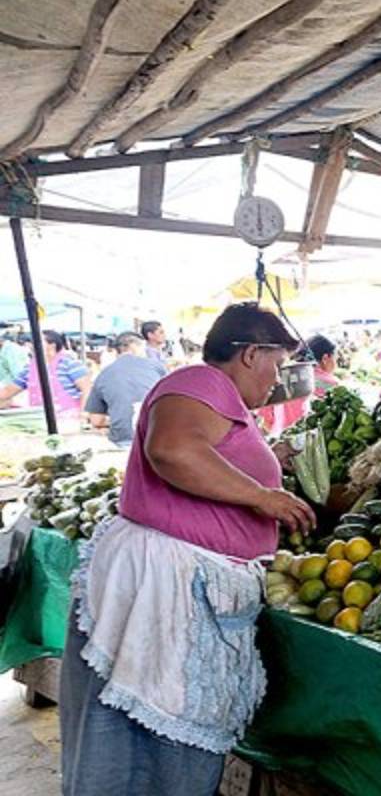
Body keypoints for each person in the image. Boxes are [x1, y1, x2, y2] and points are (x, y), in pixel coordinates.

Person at [58, 303, 316, 796]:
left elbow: (209, 451)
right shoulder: (201, 382)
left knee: (152, 736)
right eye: (276, 364)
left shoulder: (217, 397)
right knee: (138, 740)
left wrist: (269, 460)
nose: (277, 378)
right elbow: (173, 449)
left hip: (176, 584)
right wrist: (264, 496)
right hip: (165, 587)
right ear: (249, 354)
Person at [83, 332, 164, 447]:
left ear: (117, 351)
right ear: (135, 347)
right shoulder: (156, 367)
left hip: (122, 441)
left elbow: (96, 420)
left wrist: (120, 418)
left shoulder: (104, 374)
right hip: (157, 439)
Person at [0, 329, 92, 416]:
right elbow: (9, 390)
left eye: (38, 341)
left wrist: (84, 414)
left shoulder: (70, 364)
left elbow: (87, 390)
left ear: (52, 345)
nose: (32, 345)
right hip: (40, 418)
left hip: (70, 417)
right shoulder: (30, 368)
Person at [306, 333, 340, 398]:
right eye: (335, 359)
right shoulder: (331, 383)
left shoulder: (301, 378)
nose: (336, 364)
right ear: (325, 358)